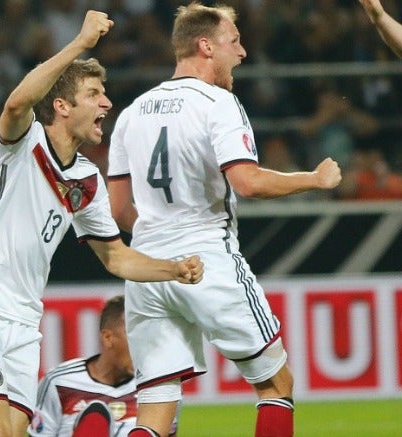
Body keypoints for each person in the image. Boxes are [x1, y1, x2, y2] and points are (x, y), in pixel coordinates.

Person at [0, 11, 203, 437]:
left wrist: (174, 268)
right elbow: (17, 103)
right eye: (94, 94)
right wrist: (80, 43)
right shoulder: (23, 143)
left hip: (23, 321)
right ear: (61, 106)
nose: (106, 103)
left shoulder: (87, 181)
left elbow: (115, 257)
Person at [106, 4, 342, 437]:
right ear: (206, 45)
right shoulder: (218, 103)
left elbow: (118, 210)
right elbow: (247, 182)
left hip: (147, 269)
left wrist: (162, 233)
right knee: (276, 383)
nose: (244, 51)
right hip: (207, 258)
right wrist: (313, 178)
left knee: (155, 408)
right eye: (234, 41)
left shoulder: (132, 113)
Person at [30, 295, 180, 437]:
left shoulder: (159, 386)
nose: (144, 347)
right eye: (136, 337)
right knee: (94, 421)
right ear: (108, 338)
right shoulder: (59, 382)